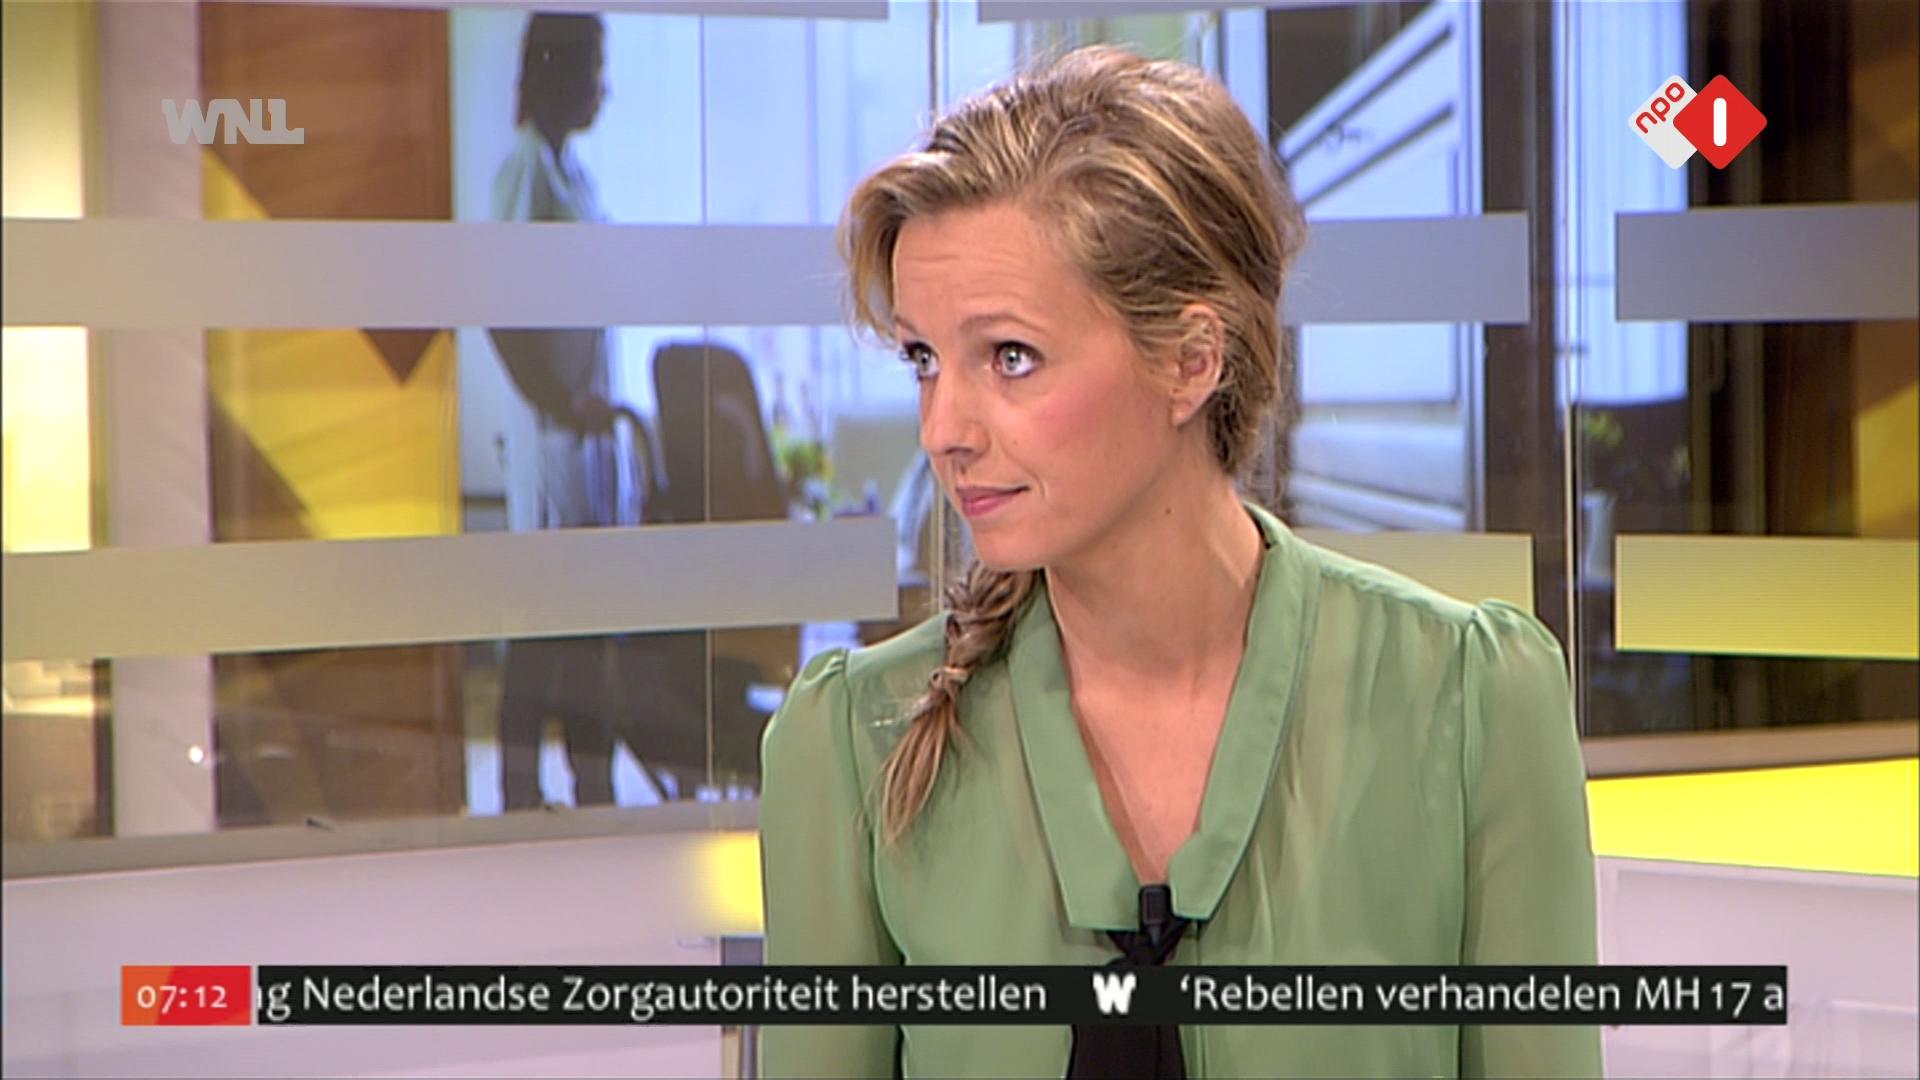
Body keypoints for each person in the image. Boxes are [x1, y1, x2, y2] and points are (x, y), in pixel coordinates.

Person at [757, 46, 1603, 1079]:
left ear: (1192, 361)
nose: (943, 430)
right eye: (924, 360)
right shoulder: (852, 747)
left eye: (1010, 357)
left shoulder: (1472, 708)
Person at [486, 12, 626, 809]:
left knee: (585, 623)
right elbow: (499, 311)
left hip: (583, 438)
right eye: (594, 70)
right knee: (546, 628)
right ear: (559, 73)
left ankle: (591, 783)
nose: (604, 89)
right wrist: (560, 401)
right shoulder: (525, 172)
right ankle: (519, 792)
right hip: (550, 439)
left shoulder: (575, 175)